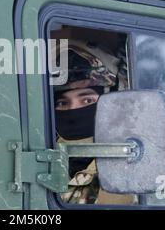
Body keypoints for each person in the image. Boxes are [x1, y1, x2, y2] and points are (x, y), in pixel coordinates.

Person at [54, 38, 135, 205]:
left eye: (87, 101)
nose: (73, 110)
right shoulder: (41, 163)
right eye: (62, 103)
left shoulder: (140, 162)